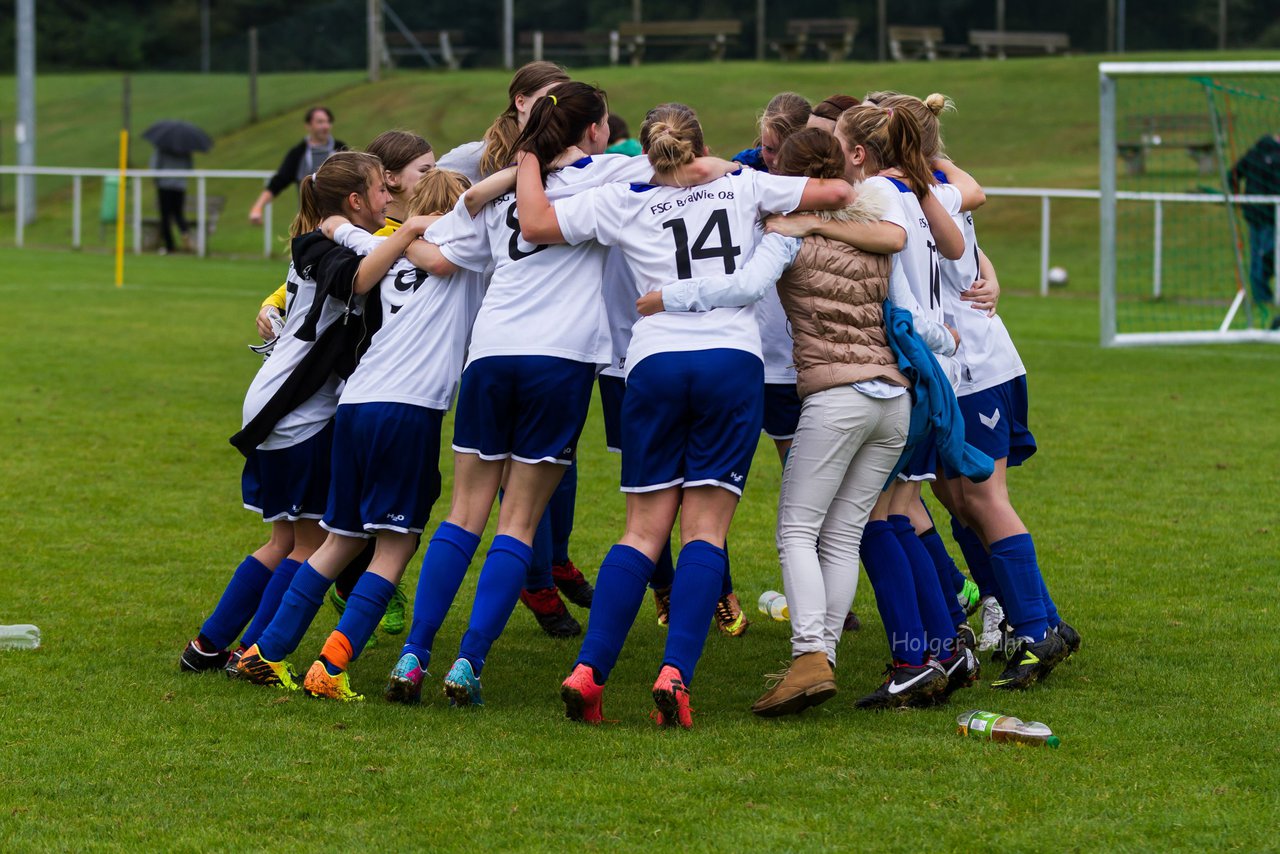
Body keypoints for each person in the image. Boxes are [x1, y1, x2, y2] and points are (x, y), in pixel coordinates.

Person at [515, 102, 853, 727]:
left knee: (642, 531)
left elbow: (533, 223)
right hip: (730, 361)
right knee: (704, 532)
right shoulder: (742, 182)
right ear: (700, 146)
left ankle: (590, 672)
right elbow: (837, 188)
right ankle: (675, 677)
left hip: (654, 362)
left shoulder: (626, 197)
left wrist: (528, 152)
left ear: (648, 151)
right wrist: (724, 168)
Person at [384, 82, 663, 708]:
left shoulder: (505, 187)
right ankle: (467, 664)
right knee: (518, 521)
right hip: (558, 362)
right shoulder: (610, 173)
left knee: (463, 513)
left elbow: (434, 249)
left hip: (490, 354)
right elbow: (679, 163)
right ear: (593, 131)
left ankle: (414, 656)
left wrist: (485, 190)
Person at [640, 129, 920, 716]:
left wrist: (670, 297)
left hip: (836, 394)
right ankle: (823, 661)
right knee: (842, 534)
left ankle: (807, 656)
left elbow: (743, 286)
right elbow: (911, 314)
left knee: (797, 530)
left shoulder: (789, 231)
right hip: (893, 399)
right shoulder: (871, 230)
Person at [179, 152, 418, 680]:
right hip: (296, 414)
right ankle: (255, 652)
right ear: (355, 201)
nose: (388, 199)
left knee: (284, 540)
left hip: (279, 404)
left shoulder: (323, 237)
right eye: (382, 190)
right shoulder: (323, 242)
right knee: (308, 544)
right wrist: (408, 234)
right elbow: (357, 280)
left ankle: (209, 645)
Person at [895, 91, 1080, 689]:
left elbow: (962, 215)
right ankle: (1039, 620)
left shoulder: (925, 194)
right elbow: (967, 225)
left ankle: (1034, 627)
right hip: (958, 367)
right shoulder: (927, 190)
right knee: (958, 502)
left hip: (974, 365)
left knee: (983, 499)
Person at [435, 61, 571, 183]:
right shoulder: (477, 157)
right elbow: (423, 189)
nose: (558, 109)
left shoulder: (572, 155)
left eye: (564, 102)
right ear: (521, 102)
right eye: (549, 100)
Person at [248, 106, 348, 225]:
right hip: (308, 221)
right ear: (308, 126)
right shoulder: (298, 153)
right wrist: (258, 207)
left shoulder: (341, 150)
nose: (325, 126)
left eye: (328, 122)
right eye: (320, 122)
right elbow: (279, 181)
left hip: (339, 220)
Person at [1229, 131, 1280, 327]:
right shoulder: (1274, 157)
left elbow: (1231, 174)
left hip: (1254, 214)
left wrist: (1236, 196)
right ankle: (1263, 295)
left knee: (1259, 254)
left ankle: (1261, 294)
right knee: (1266, 254)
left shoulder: (1253, 153)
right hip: (1270, 216)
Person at [150, 146, 193, 254]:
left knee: (165, 216)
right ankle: (184, 232)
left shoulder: (161, 148)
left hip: (164, 185)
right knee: (178, 214)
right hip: (180, 186)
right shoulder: (185, 149)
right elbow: (189, 167)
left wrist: (156, 180)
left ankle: (170, 246)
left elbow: (155, 165)